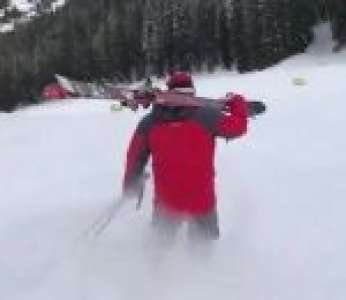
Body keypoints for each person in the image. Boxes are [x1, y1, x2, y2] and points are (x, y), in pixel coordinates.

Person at [122, 71, 249, 242]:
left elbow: (134, 157)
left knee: (159, 250)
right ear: (192, 92)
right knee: (203, 252)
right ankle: (204, 266)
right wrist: (238, 102)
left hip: (167, 201)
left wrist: (131, 184)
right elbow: (237, 127)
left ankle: (155, 266)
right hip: (201, 200)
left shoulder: (149, 123)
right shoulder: (207, 116)